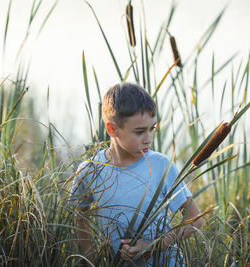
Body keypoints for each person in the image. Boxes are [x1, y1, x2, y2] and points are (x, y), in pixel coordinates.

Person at [71, 82, 203, 266]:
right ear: (112, 129)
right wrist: (92, 259)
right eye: (140, 132)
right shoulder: (90, 170)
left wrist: (153, 246)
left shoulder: (162, 165)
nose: (149, 138)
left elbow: (195, 220)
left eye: (152, 128)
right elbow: (80, 217)